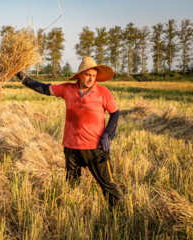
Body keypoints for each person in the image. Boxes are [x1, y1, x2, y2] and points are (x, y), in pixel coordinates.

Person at [16, 56, 121, 208]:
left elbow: (115, 113)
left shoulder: (103, 92)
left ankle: (119, 213)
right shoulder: (67, 89)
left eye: (93, 75)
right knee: (72, 184)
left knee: (107, 184)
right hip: (72, 147)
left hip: (95, 147)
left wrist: (107, 135)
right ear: (80, 75)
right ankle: (73, 212)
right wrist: (23, 77)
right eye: (87, 75)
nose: (91, 78)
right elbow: (44, 88)